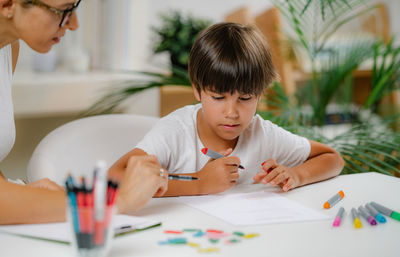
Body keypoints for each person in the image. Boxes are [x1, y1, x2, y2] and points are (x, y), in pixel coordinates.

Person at [110, 22, 345, 196]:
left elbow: (332, 158)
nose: (231, 112)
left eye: (245, 97)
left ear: (259, 94)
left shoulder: (262, 134)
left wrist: (296, 175)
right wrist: (199, 182)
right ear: (197, 90)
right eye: (218, 97)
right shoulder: (175, 132)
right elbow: (115, 177)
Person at [0, 0, 167, 224]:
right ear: (8, 4)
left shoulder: (7, 48)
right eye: (64, 10)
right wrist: (112, 203)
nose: (74, 24)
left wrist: (19, 193)